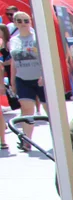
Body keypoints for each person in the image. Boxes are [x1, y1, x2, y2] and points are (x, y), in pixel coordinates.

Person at [9, 11, 45, 149]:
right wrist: (12, 81)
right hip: (22, 78)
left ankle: (60, 140)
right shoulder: (14, 40)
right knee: (26, 109)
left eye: (26, 20)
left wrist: (43, 75)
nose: (23, 23)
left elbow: (45, 58)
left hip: (39, 78)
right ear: (15, 23)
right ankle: (27, 141)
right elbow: (13, 61)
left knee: (50, 110)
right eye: (19, 21)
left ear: (31, 21)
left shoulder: (37, 37)